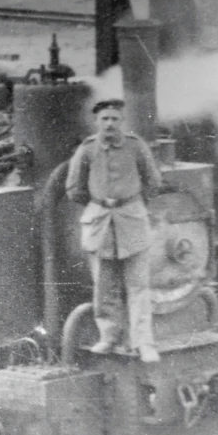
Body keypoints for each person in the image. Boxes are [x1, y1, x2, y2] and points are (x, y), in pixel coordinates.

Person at [65, 99, 163, 363]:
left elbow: (153, 182)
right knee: (104, 285)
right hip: (100, 223)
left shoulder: (136, 146)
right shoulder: (87, 150)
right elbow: (74, 188)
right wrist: (100, 204)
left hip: (132, 220)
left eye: (114, 119)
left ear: (122, 121)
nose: (109, 123)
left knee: (138, 286)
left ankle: (144, 343)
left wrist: (131, 204)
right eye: (104, 119)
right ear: (96, 122)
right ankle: (109, 337)